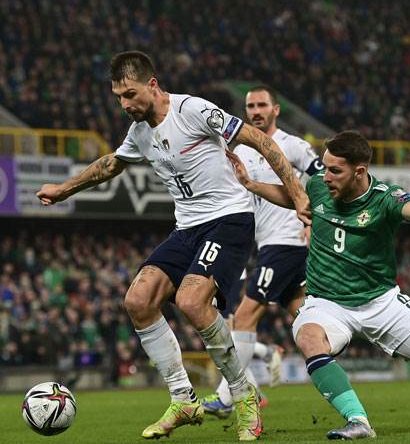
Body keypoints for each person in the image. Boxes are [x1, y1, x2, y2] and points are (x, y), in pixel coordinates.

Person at [36, 50, 309, 441]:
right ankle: (183, 398)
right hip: (187, 229)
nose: (125, 104)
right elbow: (111, 165)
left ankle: (243, 393)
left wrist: (297, 195)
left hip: (230, 219)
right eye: (118, 98)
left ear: (152, 84)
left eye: (129, 94)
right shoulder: (139, 133)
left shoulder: (193, 110)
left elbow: (261, 142)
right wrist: (63, 190)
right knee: (138, 300)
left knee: (191, 301)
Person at [227, 130, 410, 439]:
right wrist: (251, 184)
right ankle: (358, 420)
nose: (325, 176)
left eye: (335, 170)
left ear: (359, 171)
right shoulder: (320, 187)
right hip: (327, 303)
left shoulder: (384, 199)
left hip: (382, 302)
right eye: (325, 167)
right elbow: (295, 195)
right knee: (309, 337)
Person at [202, 86, 322, 418]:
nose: (255, 111)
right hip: (266, 243)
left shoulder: (293, 146)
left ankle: (230, 396)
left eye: (261, 105)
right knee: (306, 318)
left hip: (287, 243)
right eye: (250, 106)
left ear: (276, 110)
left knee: (244, 315)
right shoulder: (239, 148)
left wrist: (313, 221)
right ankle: (340, 364)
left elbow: (323, 179)